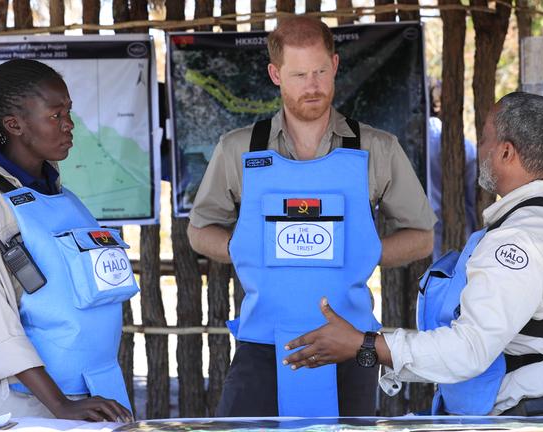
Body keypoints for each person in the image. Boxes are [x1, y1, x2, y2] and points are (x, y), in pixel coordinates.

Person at [283, 92, 543, 416]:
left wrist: (366, 345)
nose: (480, 150)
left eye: (485, 140)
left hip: (520, 414)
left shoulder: (518, 241)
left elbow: (469, 350)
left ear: (506, 152)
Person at [187, 16, 436, 417]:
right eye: (299, 74)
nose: (313, 85)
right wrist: (242, 247)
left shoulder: (377, 148)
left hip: (349, 342)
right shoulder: (239, 149)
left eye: (321, 71)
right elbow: (199, 229)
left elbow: (421, 236)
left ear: (335, 65)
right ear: (275, 74)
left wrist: (363, 252)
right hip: (261, 342)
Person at [0, 59, 137, 421]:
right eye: (56, 115)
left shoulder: (64, 197)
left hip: (97, 393)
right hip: (32, 406)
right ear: (15, 125)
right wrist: (60, 406)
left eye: (68, 111)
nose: (69, 124)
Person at [426, 80, 478, 260]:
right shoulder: (464, 147)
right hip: (456, 242)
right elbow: (475, 198)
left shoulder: (402, 141)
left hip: (415, 242)